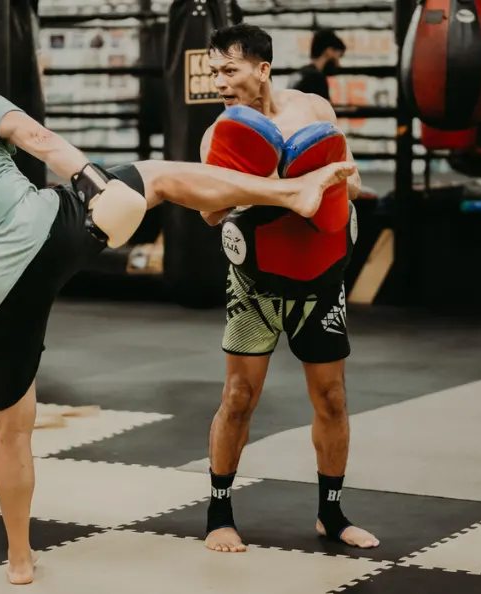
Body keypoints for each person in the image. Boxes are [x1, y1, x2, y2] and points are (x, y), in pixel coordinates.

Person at [0, 39, 356, 585]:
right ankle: (290, 194)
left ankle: (19, 559)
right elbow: (38, 140)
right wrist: (94, 184)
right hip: (47, 238)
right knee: (157, 175)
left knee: (12, 430)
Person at [199, 23, 379, 553]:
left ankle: (331, 512)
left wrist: (328, 186)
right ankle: (219, 513)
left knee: (332, 398)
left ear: (263, 69)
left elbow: (354, 179)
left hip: (319, 280)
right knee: (238, 397)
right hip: (254, 285)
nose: (219, 82)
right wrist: (275, 192)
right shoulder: (219, 135)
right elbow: (210, 212)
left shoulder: (314, 111)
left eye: (228, 70)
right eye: (214, 72)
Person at [290, 28, 346, 102]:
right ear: (328, 51)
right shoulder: (317, 78)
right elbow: (324, 110)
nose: (338, 64)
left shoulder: (300, 73)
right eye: (338, 57)